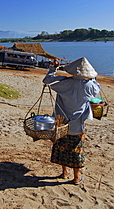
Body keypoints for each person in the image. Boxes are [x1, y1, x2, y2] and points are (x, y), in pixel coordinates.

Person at [42, 57, 101, 185]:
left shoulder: (64, 82)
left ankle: (64, 172)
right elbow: (97, 87)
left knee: (62, 148)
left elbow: (46, 80)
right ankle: (76, 178)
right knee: (75, 150)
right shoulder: (90, 86)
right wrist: (91, 77)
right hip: (77, 125)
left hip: (61, 123)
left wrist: (54, 68)